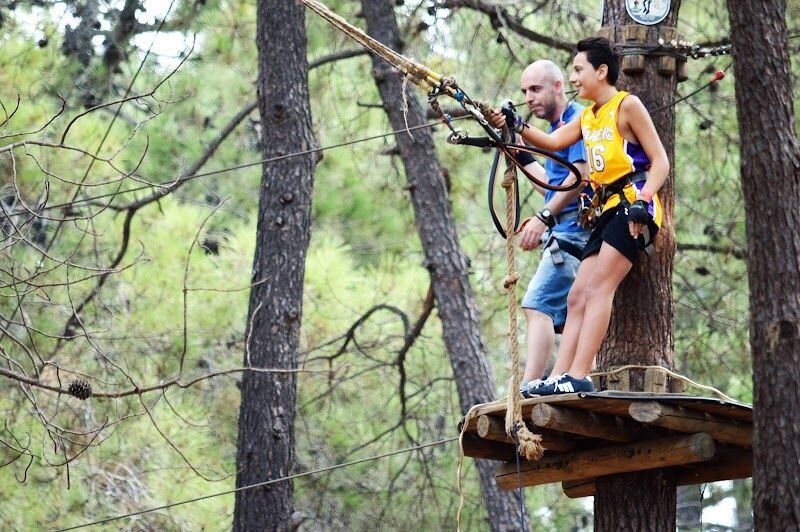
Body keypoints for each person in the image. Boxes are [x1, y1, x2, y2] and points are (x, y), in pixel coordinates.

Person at [493, 37, 669, 396]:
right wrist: (514, 124)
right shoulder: (588, 118)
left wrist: (644, 199)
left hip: (634, 205)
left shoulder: (627, 105)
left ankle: (579, 373)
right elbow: (554, 144)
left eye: (578, 70)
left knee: (600, 287)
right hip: (605, 210)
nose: (573, 78)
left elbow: (660, 161)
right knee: (576, 296)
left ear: (601, 71)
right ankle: (560, 376)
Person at [495, 60, 590, 398]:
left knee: (538, 305)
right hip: (564, 232)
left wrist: (544, 217)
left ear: (558, 86)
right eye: (524, 91)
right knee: (550, 310)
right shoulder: (553, 131)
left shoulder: (577, 119)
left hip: (574, 231)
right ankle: (549, 379)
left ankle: (530, 386)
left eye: (535, 89)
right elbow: (551, 185)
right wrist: (513, 148)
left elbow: (579, 175)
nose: (529, 97)